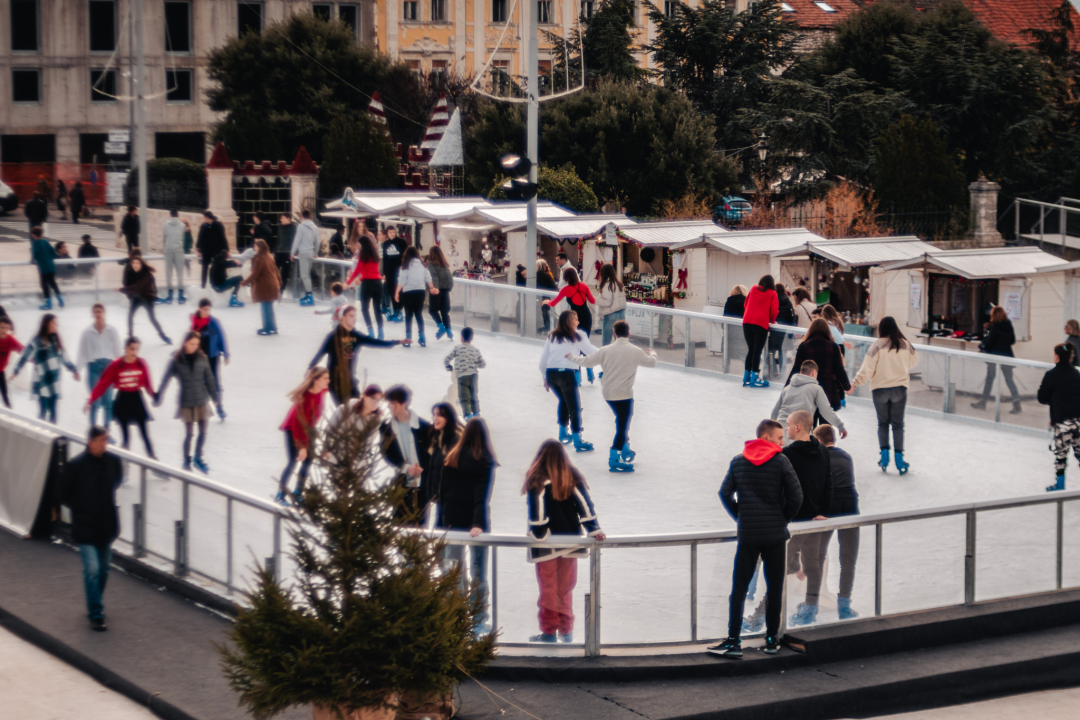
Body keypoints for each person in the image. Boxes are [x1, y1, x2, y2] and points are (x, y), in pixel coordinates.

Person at [711, 419, 802, 658]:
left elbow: (724, 493)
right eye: (779, 438)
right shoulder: (781, 461)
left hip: (749, 534)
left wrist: (741, 517)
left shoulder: (739, 461)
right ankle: (771, 639)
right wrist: (783, 518)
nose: (783, 443)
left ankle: (733, 640)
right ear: (767, 437)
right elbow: (797, 496)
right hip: (775, 535)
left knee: (739, 587)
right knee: (774, 587)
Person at [524, 440, 606, 643]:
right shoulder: (572, 477)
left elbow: (538, 514)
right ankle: (566, 631)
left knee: (548, 588)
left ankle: (549, 632)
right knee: (565, 588)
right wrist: (594, 529)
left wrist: (539, 533)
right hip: (570, 542)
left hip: (547, 546)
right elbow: (585, 506)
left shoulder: (537, 480)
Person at [570, 319, 657, 473]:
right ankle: (615, 458)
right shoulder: (635, 350)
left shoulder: (605, 350)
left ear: (615, 334)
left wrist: (571, 357)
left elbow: (588, 362)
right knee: (623, 426)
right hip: (624, 394)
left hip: (608, 394)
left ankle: (625, 449)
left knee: (621, 422)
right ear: (628, 334)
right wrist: (653, 353)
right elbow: (651, 363)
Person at [60, 425, 123, 631]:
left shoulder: (113, 462)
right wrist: (80, 508)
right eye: (102, 440)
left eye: (107, 440)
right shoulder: (76, 466)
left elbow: (117, 481)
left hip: (105, 526)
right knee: (93, 570)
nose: (105, 444)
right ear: (91, 441)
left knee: (103, 569)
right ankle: (96, 613)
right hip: (85, 526)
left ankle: (95, 601)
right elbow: (61, 492)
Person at [441, 417, 498, 634]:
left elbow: (444, 493)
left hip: (451, 523)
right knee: (479, 572)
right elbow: (481, 496)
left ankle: (454, 613)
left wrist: (443, 523)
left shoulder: (451, 458)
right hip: (477, 525)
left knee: (453, 570)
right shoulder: (485, 461)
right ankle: (478, 618)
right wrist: (478, 524)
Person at [850, 316, 920, 474]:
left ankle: (884, 457)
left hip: (880, 390)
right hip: (899, 389)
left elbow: (867, 369)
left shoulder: (877, 345)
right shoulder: (904, 343)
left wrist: (855, 383)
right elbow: (914, 361)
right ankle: (899, 459)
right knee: (898, 424)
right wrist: (901, 365)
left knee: (883, 424)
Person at [782, 409, 832, 627]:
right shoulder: (821, 449)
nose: (785, 428)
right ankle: (811, 608)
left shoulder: (787, 454)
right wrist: (824, 511)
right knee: (813, 565)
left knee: (779, 564)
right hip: (815, 519)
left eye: (788, 424)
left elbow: (783, 489)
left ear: (798, 427)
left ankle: (764, 612)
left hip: (795, 521)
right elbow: (828, 482)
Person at [310, 307, 406, 405]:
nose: (354, 319)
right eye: (351, 316)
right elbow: (319, 355)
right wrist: (310, 370)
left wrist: (397, 342)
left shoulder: (356, 336)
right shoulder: (332, 336)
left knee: (357, 410)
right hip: (336, 384)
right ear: (343, 317)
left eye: (355, 316)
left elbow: (375, 342)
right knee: (345, 413)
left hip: (351, 382)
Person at [813, 424, 860, 619]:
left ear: (818, 441)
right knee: (848, 559)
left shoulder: (817, 457)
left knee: (817, 556)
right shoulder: (846, 456)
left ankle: (811, 603)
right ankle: (844, 605)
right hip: (850, 506)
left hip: (828, 508)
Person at [155, 331, 219, 473]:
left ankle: (198, 457)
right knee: (189, 434)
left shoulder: (202, 358)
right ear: (185, 343)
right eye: (192, 344)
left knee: (203, 432)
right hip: (186, 401)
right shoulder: (176, 361)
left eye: (196, 344)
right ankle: (186, 460)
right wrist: (159, 395)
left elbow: (210, 378)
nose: (194, 347)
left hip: (202, 400)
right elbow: (166, 378)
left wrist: (215, 397)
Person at [539, 310, 599, 452]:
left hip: (551, 375)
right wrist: (606, 353)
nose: (578, 322)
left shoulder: (552, 336)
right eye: (576, 319)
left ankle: (563, 433)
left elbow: (543, 360)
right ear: (569, 321)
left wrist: (544, 377)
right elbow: (591, 351)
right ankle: (577, 439)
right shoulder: (578, 335)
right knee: (574, 406)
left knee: (564, 402)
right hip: (567, 375)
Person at [86, 337, 156, 457]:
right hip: (123, 400)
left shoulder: (141, 363)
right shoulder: (116, 365)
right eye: (132, 349)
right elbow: (103, 383)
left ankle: (153, 459)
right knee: (126, 437)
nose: (134, 352)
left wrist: (154, 395)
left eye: (136, 349)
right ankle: (123, 462)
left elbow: (147, 384)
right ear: (126, 348)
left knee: (144, 433)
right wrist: (91, 399)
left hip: (137, 399)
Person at [379, 384, 433, 524]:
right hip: (401, 485)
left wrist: (424, 469)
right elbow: (386, 454)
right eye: (389, 403)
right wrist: (406, 468)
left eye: (393, 403)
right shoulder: (386, 427)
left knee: (419, 526)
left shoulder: (424, 426)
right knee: (399, 525)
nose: (389, 406)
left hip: (423, 485)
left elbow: (432, 454)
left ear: (404, 403)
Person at [12, 314, 79, 423]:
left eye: (56, 323)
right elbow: (25, 355)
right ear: (45, 323)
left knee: (53, 412)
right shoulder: (36, 341)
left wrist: (74, 370)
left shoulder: (56, 339)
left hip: (54, 382)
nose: (56, 325)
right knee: (43, 411)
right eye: (53, 323)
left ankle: (52, 436)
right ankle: (40, 435)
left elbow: (64, 357)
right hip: (41, 381)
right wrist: (16, 370)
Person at [277, 367, 330, 505]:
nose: (328, 381)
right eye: (325, 378)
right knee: (293, 462)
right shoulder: (305, 398)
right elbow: (298, 424)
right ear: (316, 380)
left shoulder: (321, 390)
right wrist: (302, 447)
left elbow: (337, 386)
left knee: (308, 461)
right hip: (293, 430)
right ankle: (280, 494)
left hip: (309, 429)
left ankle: (297, 493)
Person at [1038, 344, 1080, 492]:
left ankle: (1060, 484)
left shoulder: (1051, 375)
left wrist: (1055, 401)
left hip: (1062, 421)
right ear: (1070, 356)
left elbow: (1041, 397)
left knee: (1061, 454)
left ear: (1056, 356)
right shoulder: (1076, 374)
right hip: (1078, 421)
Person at [786, 319, 850, 412]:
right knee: (826, 423)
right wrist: (846, 386)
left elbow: (796, 368)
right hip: (828, 389)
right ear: (827, 331)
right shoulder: (833, 347)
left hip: (808, 389)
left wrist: (787, 387)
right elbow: (839, 369)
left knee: (809, 422)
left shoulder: (804, 346)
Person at [546, 267, 597, 384]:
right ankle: (590, 370)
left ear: (566, 278)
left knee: (575, 346)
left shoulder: (566, 289)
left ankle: (577, 377)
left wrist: (547, 302)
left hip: (574, 319)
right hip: (587, 317)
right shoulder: (584, 286)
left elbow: (553, 303)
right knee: (585, 343)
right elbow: (593, 301)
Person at [76, 304, 122, 430]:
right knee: (95, 401)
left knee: (108, 402)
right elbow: (82, 351)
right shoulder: (87, 332)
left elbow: (117, 350)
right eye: (95, 312)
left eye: (100, 311)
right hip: (94, 367)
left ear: (104, 313)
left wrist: (121, 369)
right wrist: (78, 369)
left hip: (108, 367)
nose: (98, 314)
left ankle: (106, 431)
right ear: (92, 314)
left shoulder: (112, 331)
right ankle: (93, 430)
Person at [771, 360, 847, 435]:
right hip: (800, 432)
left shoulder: (787, 388)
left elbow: (775, 411)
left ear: (800, 373)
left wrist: (771, 429)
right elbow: (826, 411)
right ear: (813, 373)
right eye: (816, 375)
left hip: (781, 430)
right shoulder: (816, 388)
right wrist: (840, 426)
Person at [971, 306, 1021, 415]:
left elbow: (989, 343)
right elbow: (1012, 341)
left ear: (993, 316)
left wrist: (983, 346)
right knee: (1009, 380)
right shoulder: (1008, 325)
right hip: (1007, 355)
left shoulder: (994, 328)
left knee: (989, 379)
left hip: (993, 357)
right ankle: (1017, 404)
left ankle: (983, 402)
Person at [119, 255, 171, 344]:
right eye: (133, 263)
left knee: (152, 318)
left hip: (147, 298)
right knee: (130, 316)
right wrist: (130, 297)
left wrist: (154, 297)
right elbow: (126, 284)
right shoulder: (130, 272)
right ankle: (130, 337)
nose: (135, 265)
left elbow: (138, 287)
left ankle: (163, 336)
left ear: (141, 264)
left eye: (137, 263)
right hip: (136, 298)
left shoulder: (146, 275)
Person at [190, 299, 229, 419]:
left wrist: (226, 353)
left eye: (209, 309)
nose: (207, 312)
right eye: (205, 309)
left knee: (215, 382)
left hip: (213, 357)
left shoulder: (214, 322)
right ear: (200, 309)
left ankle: (219, 407)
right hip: (199, 358)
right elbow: (190, 341)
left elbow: (221, 337)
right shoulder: (195, 324)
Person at [426, 402, 463, 523]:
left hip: (453, 501)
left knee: (447, 536)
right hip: (442, 499)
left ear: (449, 417)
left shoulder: (456, 440)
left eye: (439, 415)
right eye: (434, 414)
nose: (435, 418)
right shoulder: (437, 438)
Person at [741, 275, 779, 388]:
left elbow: (745, 303)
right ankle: (755, 377)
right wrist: (772, 320)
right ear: (772, 283)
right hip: (761, 324)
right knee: (757, 351)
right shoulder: (773, 293)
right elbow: (774, 310)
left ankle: (746, 377)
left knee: (751, 350)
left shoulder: (753, 288)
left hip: (747, 322)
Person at [346, 232, 384, 339]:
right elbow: (372, 270)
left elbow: (358, 270)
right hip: (377, 283)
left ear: (363, 245)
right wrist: (361, 278)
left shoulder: (363, 254)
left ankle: (370, 331)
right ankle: (381, 332)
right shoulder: (375, 254)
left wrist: (347, 283)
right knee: (377, 308)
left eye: (359, 245)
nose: (358, 247)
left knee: (364, 308)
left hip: (368, 284)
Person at [241, 238, 283, 336]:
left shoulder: (259, 259)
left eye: (255, 246)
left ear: (259, 247)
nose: (254, 248)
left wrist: (244, 282)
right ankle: (272, 327)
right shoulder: (269, 256)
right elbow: (276, 270)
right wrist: (279, 281)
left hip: (264, 285)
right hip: (272, 284)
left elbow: (255, 274)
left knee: (265, 307)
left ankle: (266, 328)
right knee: (269, 307)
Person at [395, 246, 435, 346]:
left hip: (408, 292)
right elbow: (428, 277)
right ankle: (422, 337)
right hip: (420, 291)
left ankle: (408, 339)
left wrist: (397, 292)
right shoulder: (423, 265)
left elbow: (402, 280)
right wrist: (431, 287)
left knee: (408, 315)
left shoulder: (405, 265)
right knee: (418, 314)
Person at [444, 327, 486, 418]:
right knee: (473, 395)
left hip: (462, 376)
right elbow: (483, 364)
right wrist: (474, 364)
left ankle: (468, 416)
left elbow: (447, 360)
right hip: (474, 375)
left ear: (461, 338)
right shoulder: (476, 350)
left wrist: (449, 367)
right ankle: (476, 415)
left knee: (464, 397)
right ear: (471, 338)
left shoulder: (457, 348)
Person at [766, 283, 797, 380]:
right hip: (785, 331)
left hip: (775, 330)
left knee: (770, 351)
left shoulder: (773, 299)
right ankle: (782, 374)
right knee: (782, 352)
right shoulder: (788, 301)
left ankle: (774, 370)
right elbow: (791, 317)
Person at [29, 226, 63, 310]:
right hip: (51, 266)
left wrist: (34, 260)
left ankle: (48, 303)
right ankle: (60, 299)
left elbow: (35, 255)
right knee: (53, 283)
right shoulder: (45, 241)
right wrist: (50, 258)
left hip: (43, 268)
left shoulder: (35, 243)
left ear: (34, 235)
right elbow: (53, 252)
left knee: (44, 285)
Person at [291, 209, 320, 306]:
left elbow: (297, 240)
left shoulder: (301, 226)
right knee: (307, 275)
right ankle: (308, 294)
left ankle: (310, 295)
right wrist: (315, 252)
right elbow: (318, 242)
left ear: (301, 216)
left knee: (304, 275)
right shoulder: (315, 227)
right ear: (310, 216)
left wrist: (292, 253)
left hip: (303, 252)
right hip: (311, 252)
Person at [160, 209, 187, 305]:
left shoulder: (165, 225)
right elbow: (183, 239)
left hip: (168, 250)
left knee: (168, 273)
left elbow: (164, 238)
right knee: (180, 273)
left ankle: (170, 295)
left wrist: (165, 247)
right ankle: (180, 295)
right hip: (179, 250)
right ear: (178, 215)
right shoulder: (182, 225)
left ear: (170, 215)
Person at [428, 245, 454, 340]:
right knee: (444, 312)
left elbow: (434, 276)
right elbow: (450, 278)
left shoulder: (431, 264)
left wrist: (435, 288)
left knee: (432, 310)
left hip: (437, 290)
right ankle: (449, 331)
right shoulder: (445, 264)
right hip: (446, 290)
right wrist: (449, 288)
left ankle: (441, 327)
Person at [382, 226, 408, 321]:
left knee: (399, 290)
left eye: (394, 232)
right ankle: (395, 310)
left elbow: (406, 255)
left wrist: (404, 265)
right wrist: (384, 273)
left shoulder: (401, 242)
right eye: (390, 232)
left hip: (399, 271)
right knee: (391, 290)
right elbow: (385, 259)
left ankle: (399, 310)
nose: (393, 234)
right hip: (389, 271)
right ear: (387, 233)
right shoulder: (385, 244)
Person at [196, 211, 228, 290]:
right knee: (204, 268)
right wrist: (198, 248)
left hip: (216, 251)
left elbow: (222, 238)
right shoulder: (204, 226)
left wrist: (226, 249)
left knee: (217, 267)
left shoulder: (218, 225)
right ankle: (203, 286)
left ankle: (217, 284)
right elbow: (200, 238)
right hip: (206, 251)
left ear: (207, 217)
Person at [597, 264, 627, 346]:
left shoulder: (607, 285)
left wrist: (594, 300)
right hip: (621, 313)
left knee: (606, 342)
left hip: (611, 314)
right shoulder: (618, 284)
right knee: (621, 341)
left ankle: (606, 358)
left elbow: (607, 302)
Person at [0, 316, 24, 408]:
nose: (4, 330)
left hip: (1, 371)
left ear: (9, 329)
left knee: (5, 393)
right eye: (2, 327)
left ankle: (9, 410)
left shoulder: (10, 340)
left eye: (6, 328)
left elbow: (22, 349)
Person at [536, 259, 559, 333]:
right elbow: (553, 287)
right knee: (546, 313)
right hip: (547, 298)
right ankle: (547, 327)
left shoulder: (533, 275)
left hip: (537, 297)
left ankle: (542, 327)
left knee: (540, 313)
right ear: (544, 266)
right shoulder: (547, 275)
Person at [274, 213, 295, 292]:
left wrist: (293, 252)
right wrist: (275, 250)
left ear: (288, 218)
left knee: (284, 273)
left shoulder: (294, 227)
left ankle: (282, 290)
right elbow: (278, 239)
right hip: (278, 252)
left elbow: (294, 241)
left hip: (287, 253)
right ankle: (274, 287)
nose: (281, 220)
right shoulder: (280, 227)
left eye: (282, 218)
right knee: (274, 270)